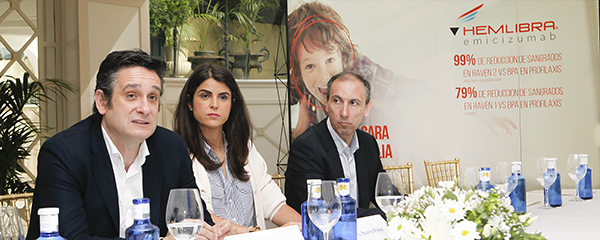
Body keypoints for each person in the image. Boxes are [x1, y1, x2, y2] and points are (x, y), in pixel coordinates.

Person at [26, 50, 234, 240]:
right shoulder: (64, 153)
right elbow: (71, 238)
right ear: (102, 101)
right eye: (132, 96)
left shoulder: (171, 148)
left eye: (152, 97)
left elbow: (197, 222)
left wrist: (208, 232)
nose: (145, 108)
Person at [172, 63, 302, 234]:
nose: (214, 104)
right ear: (190, 102)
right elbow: (199, 215)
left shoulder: (244, 147)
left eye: (223, 97)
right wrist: (253, 234)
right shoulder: (178, 152)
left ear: (233, 103)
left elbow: (272, 201)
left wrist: (308, 227)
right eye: (205, 96)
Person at [285, 71, 386, 218]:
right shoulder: (306, 146)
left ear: (367, 108)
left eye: (353, 103)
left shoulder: (367, 143)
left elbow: (384, 194)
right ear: (327, 104)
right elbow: (322, 210)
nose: (344, 112)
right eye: (337, 101)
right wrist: (378, 214)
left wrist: (412, 204)